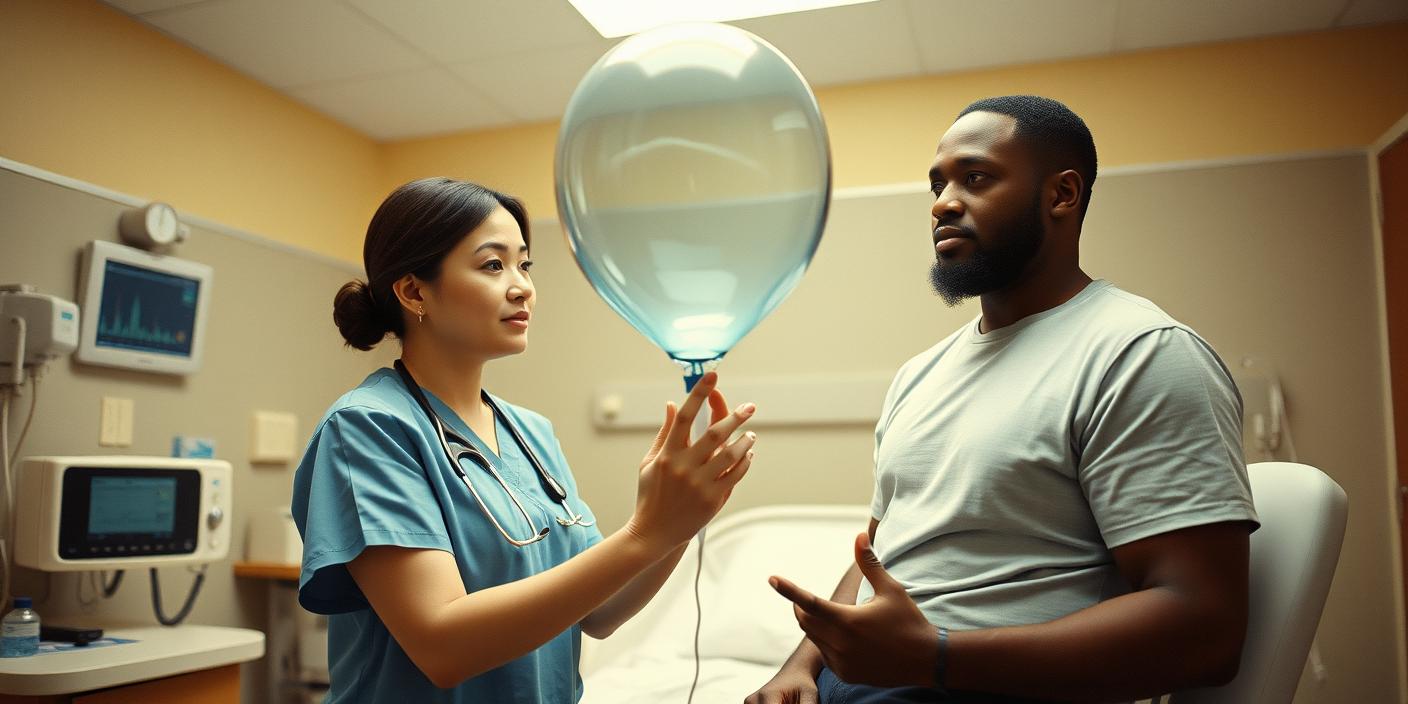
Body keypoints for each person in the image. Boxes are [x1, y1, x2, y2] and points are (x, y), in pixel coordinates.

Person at [746, 95, 1259, 704]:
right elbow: (881, 556)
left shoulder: (1140, 354)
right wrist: (800, 666)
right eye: (936, 184)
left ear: (1061, 195)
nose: (942, 202)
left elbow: (1204, 630)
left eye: (976, 177)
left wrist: (934, 658)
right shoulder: (920, 374)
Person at [291, 177, 758, 703]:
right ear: (414, 291)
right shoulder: (368, 428)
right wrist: (644, 532)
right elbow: (443, 646)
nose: (522, 287)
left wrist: (679, 519)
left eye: (525, 264)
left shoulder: (531, 432)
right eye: (494, 265)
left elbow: (600, 613)